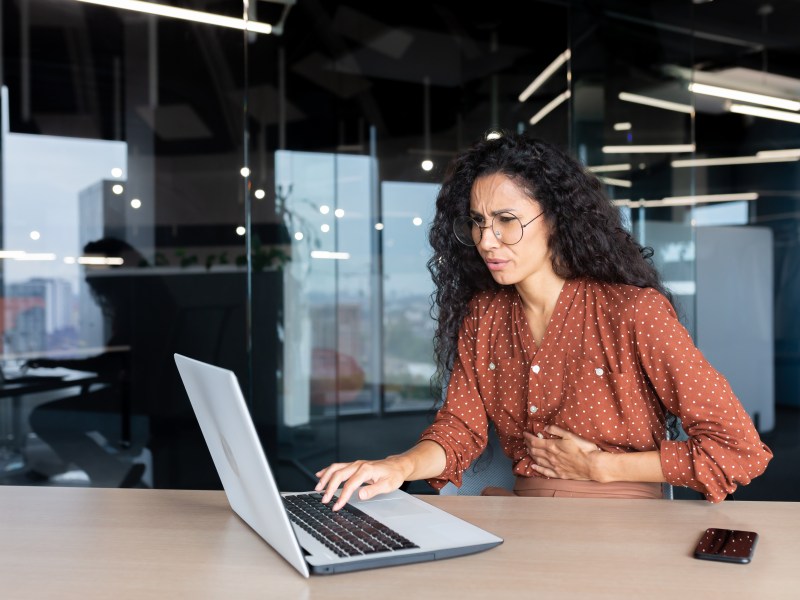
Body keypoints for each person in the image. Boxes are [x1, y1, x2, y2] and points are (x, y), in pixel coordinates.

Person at [315, 132, 773, 508]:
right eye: (477, 222)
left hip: (626, 523)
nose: (487, 240)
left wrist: (602, 467)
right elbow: (459, 430)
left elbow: (738, 450)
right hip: (526, 517)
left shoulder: (633, 312)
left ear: (555, 218)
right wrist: (397, 467)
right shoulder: (484, 317)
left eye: (506, 220)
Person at [24, 237, 147, 487]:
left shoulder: (135, 307)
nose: (88, 277)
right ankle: (105, 470)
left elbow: (111, 366)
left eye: (92, 269)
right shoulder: (141, 301)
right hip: (135, 397)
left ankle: (107, 471)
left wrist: (58, 363)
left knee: (43, 417)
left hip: (133, 402)